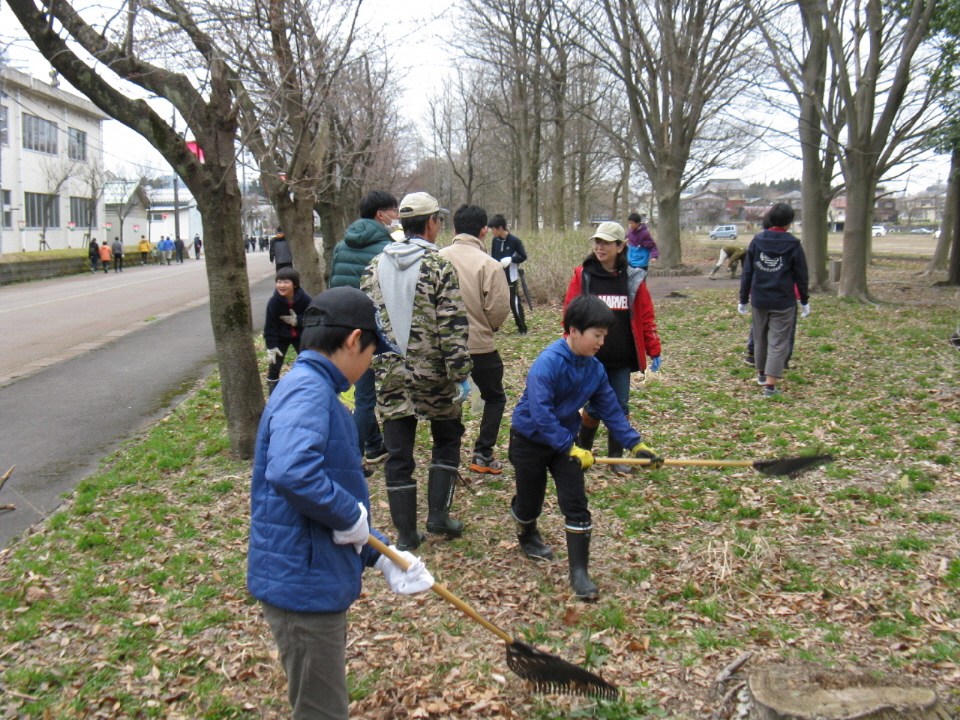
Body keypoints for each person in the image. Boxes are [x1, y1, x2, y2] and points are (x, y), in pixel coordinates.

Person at [248, 285, 435, 720]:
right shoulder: (308, 392)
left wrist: (383, 555)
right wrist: (350, 515)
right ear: (354, 340)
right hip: (302, 585)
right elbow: (293, 472)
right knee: (322, 711)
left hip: (308, 576)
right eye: (371, 351)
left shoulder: (310, 387)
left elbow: (325, 495)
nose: (370, 362)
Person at [509, 294, 662, 600]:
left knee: (576, 503)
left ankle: (579, 573)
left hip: (566, 443)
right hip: (530, 440)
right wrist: (570, 446)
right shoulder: (548, 363)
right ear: (574, 331)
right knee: (530, 501)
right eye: (597, 336)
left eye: (604, 337)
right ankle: (527, 532)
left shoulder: (594, 368)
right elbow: (540, 413)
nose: (601, 343)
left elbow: (611, 409)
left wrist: (636, 445)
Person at [361, 191, 472, 550]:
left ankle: (406, 535)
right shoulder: (438, 266)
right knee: (447, 439)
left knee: (398, 454)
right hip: (434, 374)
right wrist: (461, 375)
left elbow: (368, 324)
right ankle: (438, 515)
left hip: (390, 373)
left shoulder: (373, 268)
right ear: (431, 223)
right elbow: (452, 327)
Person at [564, 221, 661, 475]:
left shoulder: (633, 278)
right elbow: (570, 315)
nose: (599, 247)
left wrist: (654, 349)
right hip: (589, 357)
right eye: (597, 242)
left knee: (620, 407)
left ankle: (615, 458)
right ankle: (583, 451)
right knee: (593, 407)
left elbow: (646, 316)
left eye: (606, 242)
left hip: (620, 356)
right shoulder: (582, 275)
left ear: (620, 246)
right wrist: (570, 346)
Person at [439, 204, 511, 474]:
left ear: (455, 229)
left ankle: (445, 457)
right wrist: (486, 326)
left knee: (445, 399)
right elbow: (499, 308)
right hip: (479, 345)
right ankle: (482, 452)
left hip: (443, 346)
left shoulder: (436, 258)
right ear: (484, 232)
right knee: (495, 397)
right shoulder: (489, 265)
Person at [329, 190, 399, 469]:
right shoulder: (386, 249)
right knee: (366, 398)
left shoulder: (339, 246)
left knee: (361, 391)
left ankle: (373, 446)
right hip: (370, 330)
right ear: (381, 215)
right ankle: (352, 462)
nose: (397, 217)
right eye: (394, 211)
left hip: (342, 327)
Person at [738, 203, 810, 397]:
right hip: (783, 300)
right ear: (789, 222)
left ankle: (761, 374)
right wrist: (804, 300)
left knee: (760, 337)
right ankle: (770, 385)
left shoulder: (757, 240)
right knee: (778, 340)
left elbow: (747, 271)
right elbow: (801, 275)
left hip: (759, 298)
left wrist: (743, 298)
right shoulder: (793, 244)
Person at [263, 267, 313, 396]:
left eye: (286, 282)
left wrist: (298, 320)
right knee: (274, 365)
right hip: (281, 337)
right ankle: (273, 392)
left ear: (295, 284)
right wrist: (271, 346)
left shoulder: (305, 299)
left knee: (308, 361)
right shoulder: (274, 302)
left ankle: (309, 387)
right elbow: (270, 326)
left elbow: (313, 317)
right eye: (279, 282)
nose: (281, 285)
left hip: (300, 336)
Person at [488, 215, 529, 335]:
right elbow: (493, 257)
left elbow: (523, 256)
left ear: (500, 228)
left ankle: (522, 328)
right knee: (495, 302)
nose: (492, 232)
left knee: (513, 302)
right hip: (497, 276)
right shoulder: (495, 241)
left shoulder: (515, 241)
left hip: (511, 277)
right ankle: (494, 327)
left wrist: (512, 259)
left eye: (493, 229)